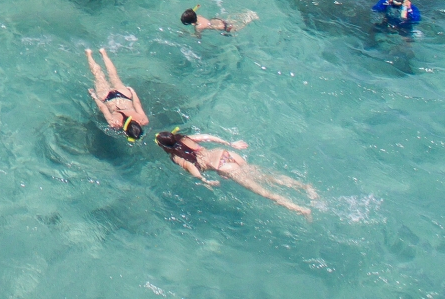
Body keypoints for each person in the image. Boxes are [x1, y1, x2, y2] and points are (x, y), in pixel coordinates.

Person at [155, 131, 317, 218]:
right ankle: (304, 187)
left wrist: (205, 181)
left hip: (221, 166)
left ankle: (301, 210)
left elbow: (193, 169)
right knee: (267, 177)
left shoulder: (175, 157)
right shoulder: (185, 137)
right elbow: (207, 137)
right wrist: (230, 144)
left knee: (265, 193)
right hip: (224, 154)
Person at [85, 48, 148, 141]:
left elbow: (137, 104)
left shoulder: (143, 120)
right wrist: (94, 96)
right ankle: (89, 54)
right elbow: (103, 108)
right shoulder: (114, 123)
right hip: (107, 98)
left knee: (113, 75)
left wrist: (133, 92)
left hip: (124, 95)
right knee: (98, 76)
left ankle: (103, 53)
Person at [181, 6, 258, 35]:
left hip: (224, 28)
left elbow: (198, 36)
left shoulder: (199, 27)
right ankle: (249, 15)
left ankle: (251, 18)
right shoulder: (198, 16)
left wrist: (188, 34)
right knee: (233, 21)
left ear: (191, 22)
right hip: (219, 21)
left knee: (240, 26)